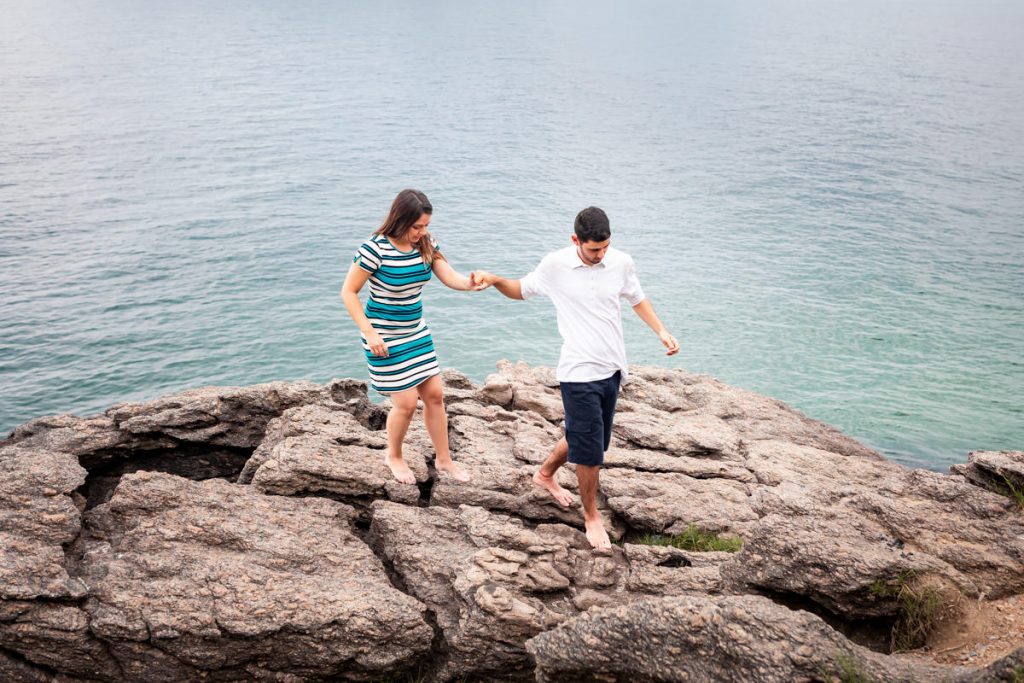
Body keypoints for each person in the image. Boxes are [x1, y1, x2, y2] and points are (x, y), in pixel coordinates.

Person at [476, 207, 679, 550]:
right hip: (578, 372)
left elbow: (637, 299)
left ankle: (544, 475)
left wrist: (661, 331)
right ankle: (591, 516)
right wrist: (496, 280)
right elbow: (520, 289)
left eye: (605, 248)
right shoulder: (555, 266)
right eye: (593, 250)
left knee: (590, 439)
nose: (600, 255)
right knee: (590, 455)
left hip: (613, 369)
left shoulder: (621, 262)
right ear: (575, 240)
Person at [340, 189, 487, 485]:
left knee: (435, 395)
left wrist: (470, 284)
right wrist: (369, 333)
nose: (422, 232)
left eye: (426, 226)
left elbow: (449, 276)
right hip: (382, 337)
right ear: (400, 220)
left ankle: (444, 460)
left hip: (415, 332)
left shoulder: (425, 245)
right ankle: (393, 455)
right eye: (416, 226)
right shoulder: (374, 250)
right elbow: (348, 292)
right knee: (406, 402)